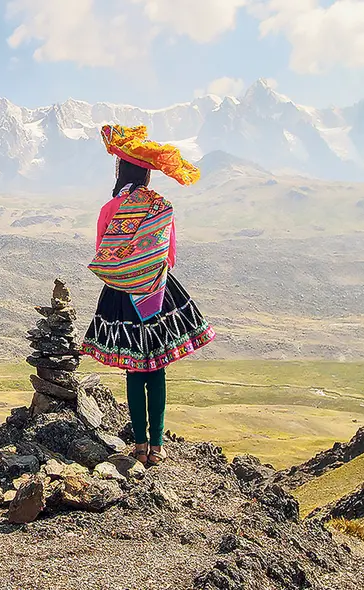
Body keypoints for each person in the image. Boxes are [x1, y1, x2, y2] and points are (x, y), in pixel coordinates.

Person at [82, 125, 216, 467]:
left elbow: (103, 252)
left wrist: (128, 268)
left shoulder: (109, 209)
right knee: (157, 370)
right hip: (156, 294)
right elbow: (169, 257)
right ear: (146, 174)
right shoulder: (161, 207)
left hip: (121, 295)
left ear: (121, 171)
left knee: (133, 370)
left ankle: (138, 446)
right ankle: (157, 446)